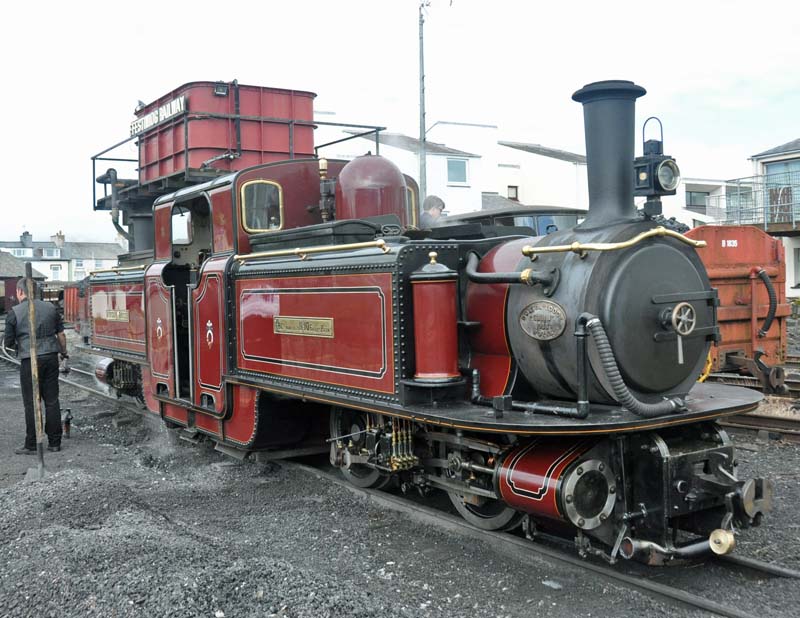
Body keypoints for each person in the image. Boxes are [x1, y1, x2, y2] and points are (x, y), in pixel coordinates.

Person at [3, 278, 67, 454]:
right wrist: (64, 353)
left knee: (31, 403)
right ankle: (55, 443)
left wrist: (20, 346)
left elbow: (8, 342)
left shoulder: (14, 312)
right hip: (50, 357)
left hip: (29, 360)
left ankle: (31, 444)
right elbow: (61, 335)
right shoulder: (51, 308)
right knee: (52, 401)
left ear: (20, 292)